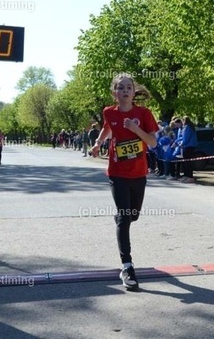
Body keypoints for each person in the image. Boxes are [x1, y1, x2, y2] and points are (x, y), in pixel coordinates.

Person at [90, 73, 158, 291]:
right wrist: (98, 143)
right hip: (117, 173)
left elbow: (153, 142)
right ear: (115, 93)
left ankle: (123, 216)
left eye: (129, 87)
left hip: (138, 173)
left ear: (134, 92)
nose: (125, 90)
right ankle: (127, 266)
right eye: (121, 87)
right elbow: (107, 127)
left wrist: (135, 129)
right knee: (124, 217)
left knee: (133, 215)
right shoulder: (109, 112)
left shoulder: (143, 113)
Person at [177, 116, 198, 183]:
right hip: (189, 146)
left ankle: (190, 176)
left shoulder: (187, 127)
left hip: (188, 146)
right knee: (186, 162)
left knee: (187, 162)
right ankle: (186, 175)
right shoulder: (189, 127)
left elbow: (186, 138)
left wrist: (181, 144)